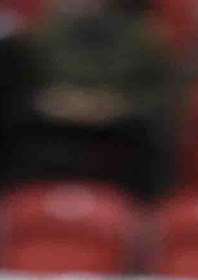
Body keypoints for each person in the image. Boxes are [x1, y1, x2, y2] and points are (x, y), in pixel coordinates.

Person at [9, 0, 175, 197]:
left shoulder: (144, 38)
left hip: (121, 131)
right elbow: (26, 88)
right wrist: (53, 102)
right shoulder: (41, 36)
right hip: (52, 127)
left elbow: (158, 94)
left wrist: (116, 105)